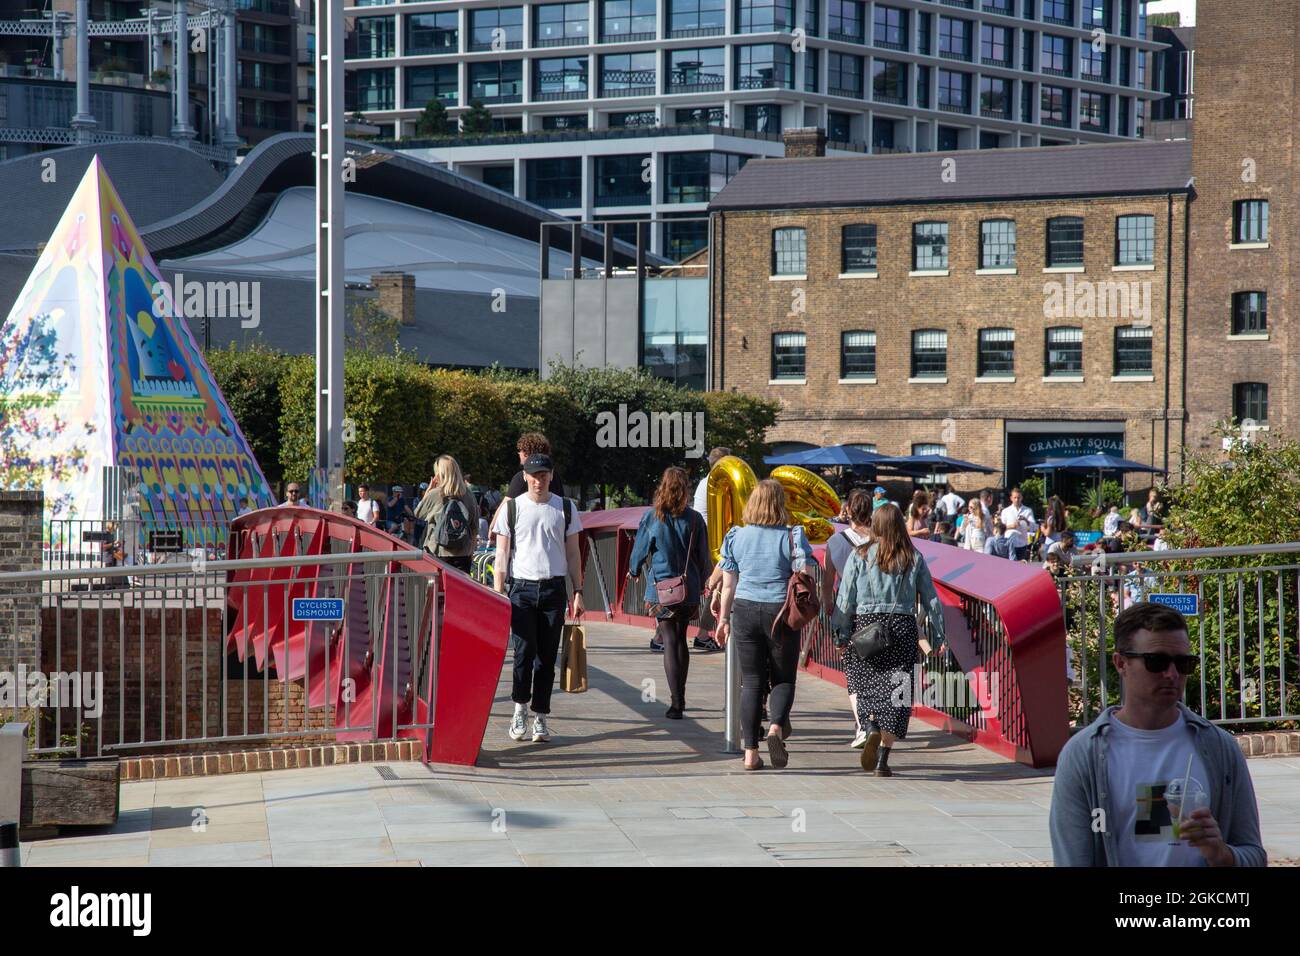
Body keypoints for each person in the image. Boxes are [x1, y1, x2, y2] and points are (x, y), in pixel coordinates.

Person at [1049, 602, 1265, 867]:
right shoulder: (1084, 755)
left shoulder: (1219, 748)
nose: (1172, 674)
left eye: (1183, 663)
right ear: (1121, 663)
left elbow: (1253, 854)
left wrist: (1221, 854)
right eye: (1157, 661)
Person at [834, 503, 946, 776]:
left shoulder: (859, 555)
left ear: (876, 525)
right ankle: (883, 760)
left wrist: (841, 634)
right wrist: (940, 634)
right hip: (903, 628)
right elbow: (931, 598)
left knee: (863, 681)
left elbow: (845, 598)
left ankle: (869, 725)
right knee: (897, 693)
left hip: (866, 628)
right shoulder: (913, 557)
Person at [714, 480, 812, 772]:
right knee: (783, 678)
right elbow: (804, 575)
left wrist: (723, 619)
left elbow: (728, 584)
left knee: (752, 681)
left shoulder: (736, 536)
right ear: (780, 504)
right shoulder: (793, 536)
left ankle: (750, 754)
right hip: (780, 613)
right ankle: (775, 729)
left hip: (744, 609)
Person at [493, 453, 584, 744]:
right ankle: (519, 709)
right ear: (524, 476)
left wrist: (578, 590)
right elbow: (502, 554)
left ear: (551, 475)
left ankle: (540, 715)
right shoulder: (512, 509)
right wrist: (498, 592)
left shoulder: (565, 508)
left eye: (543, 474)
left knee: (546, 657)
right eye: (533, 475)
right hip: (521, 589)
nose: (538, 480)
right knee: (523, 653)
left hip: (554, 589)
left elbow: (573, 553)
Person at [628, 467, 714, 719]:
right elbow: (703, 557)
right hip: (688, 591)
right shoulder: (696, 519)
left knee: (669, 642)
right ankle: (681, 697)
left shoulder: (653, 517)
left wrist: (633, 570)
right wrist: (704, 581)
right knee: (681, 639)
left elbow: (641, 549)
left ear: (663, 487)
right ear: (686, 488)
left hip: (661, 591)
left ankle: (676, 703)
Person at [820, 489, 874, 749]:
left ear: (848, 511)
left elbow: (828, 581)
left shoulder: (835, 542)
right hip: (875, 612)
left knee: (853, 670)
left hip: (847, 610)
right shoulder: (881, 540)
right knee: (876, 667)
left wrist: (829, 606)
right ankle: (874, 720)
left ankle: (863, 724)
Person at [417, 454, 480, 573]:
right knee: (459, 591)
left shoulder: (435, 494)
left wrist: (428, 492)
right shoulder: (469, 495)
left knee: (436, 590)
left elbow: (418, 513)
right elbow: (475, 528)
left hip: (437, 552)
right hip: (463, 554)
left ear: (440, 474)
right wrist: (470, 551)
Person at [506, 433, 567, 498]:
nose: (518, 453)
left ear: (526, 454)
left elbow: (504, 507)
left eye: (520, 450)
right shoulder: (553, 475)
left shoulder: (522, 477)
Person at [999, 488, 1037, 561]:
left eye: (1018, 497)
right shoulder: (1006, 511)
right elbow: (1001, 528)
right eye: (1015, 497)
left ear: (1022, 498)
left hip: (1022, 543)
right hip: (1009, 543)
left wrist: (1026, 520)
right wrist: (1011, 526)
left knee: (1021, 566)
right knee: (1009, 565)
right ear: (1011, 498)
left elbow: (1034, 527)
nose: (1017, 500)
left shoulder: (1028, 510)